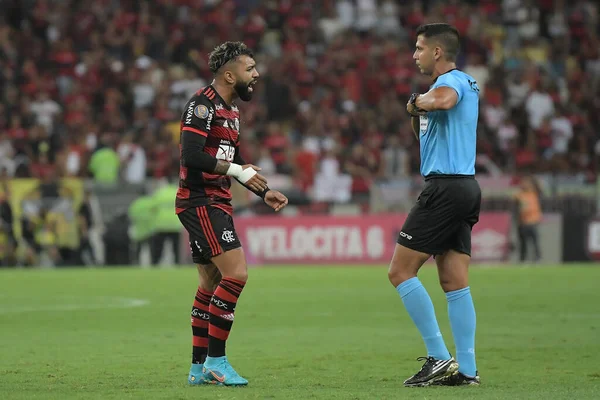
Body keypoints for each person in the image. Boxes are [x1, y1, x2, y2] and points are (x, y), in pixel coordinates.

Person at [176, 42, 288, 386]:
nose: (255, 75)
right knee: (236, 275)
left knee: (209, 282)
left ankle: (197, 370)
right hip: (200, 201)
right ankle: (217, 361)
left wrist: (263, 190)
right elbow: (192, 156)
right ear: (229, 74)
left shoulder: (232, 112)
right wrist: (238, 171)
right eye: (250, 69)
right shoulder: (201, 106)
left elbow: (233, 164)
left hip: (216, 200)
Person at [387, 23, 482, 387]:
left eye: (419, 48)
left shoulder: (454, 82)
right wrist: (418, 111)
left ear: (437, 52)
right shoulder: (455, 84)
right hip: (464, 186)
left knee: (399, 271)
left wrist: (415, 102)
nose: (414, 55)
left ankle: (440, 358)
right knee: (454, 281)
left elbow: (444, 101)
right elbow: (425, 131)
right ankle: (468, 370)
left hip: (444, 188)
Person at [514, 176, 542, 262]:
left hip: (533, 221)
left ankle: (538, 258)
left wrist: (533, 180)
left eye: (527, 183)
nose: (525, 185)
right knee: (523, 243)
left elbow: (540, 187)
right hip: (523, 222)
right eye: (524, 183)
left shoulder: (533, 193)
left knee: (535, 242)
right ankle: (523, 259)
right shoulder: (520, 195)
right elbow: (516, 203)